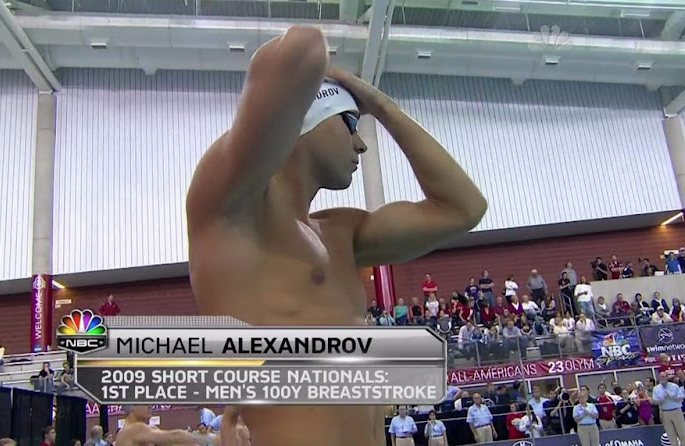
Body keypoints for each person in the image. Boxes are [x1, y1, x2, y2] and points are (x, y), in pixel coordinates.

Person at [185, 26, 487, 446]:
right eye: (350, 123)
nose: (361, 144)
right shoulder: (231, 208)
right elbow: (301, 48)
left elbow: (464, 208)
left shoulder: (343, 233)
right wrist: (336, 81)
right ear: (303, 126)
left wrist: (376, 104)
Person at [114, 405, 199, 445]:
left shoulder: (146, 430)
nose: (150, 406)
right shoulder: (132, 429)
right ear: (132, 407)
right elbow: (174, 436)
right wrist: (202, 439)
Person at [652, 372, 685, 446]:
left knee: (682, 435)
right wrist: (663, 400)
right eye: (661, 377)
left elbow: (681, 398)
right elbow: (655, 402)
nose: (662, 378)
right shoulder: (656, 389)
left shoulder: (674, 386)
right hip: (665, 412)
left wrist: (673, 397)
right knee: (671, 437)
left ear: (667, 377)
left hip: (676, 411)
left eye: (664, 376)